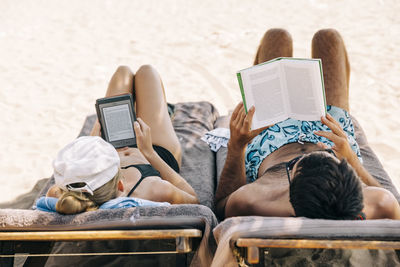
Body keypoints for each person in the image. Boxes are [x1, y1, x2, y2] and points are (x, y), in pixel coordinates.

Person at [215, 28, 400, 220]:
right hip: (333, 135)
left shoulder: (256, 200)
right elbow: (393, 205)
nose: (316, 151)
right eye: (333, 162)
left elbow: (220, 206)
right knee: (328, 38)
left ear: (291, 188)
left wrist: (237, 146)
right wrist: (350, 158)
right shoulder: (379, 203)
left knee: (276, 37)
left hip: (271, 140)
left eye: (295, 165)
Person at [47, 65, 198, 214]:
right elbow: (194, 201)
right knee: (147, 72)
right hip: (155, 154)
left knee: (123, 73)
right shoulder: (154, 189)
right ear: (121, 185)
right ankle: (164, 111)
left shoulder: (63, 195)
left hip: (111, 145)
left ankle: (143, 107)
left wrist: (94, 144)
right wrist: (148, 152)